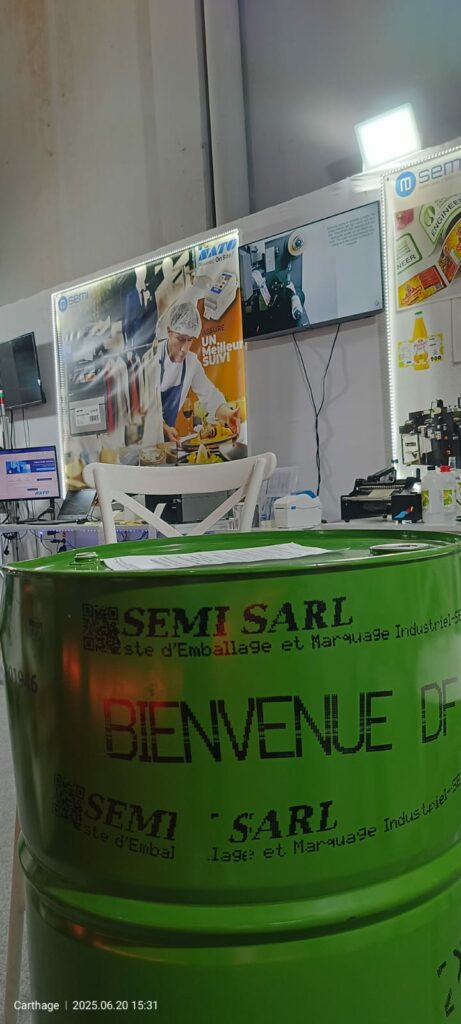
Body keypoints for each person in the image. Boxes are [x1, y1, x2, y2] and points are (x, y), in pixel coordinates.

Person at [141, 301, 239, 445]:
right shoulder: (151, 360)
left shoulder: (191, 363)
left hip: (169, 438)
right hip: (146, 438)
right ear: (169, 332)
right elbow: (146, 408)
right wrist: (165, 428)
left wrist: (228, 415)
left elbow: (210, 395)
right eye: (181, 339)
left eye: (190, 340)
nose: (185, 348)